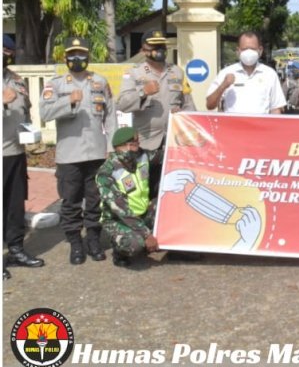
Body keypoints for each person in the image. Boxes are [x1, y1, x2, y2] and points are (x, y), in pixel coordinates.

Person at [40, 37, 117, 265]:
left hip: (96, 152)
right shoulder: (56, 85)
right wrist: (69, 103)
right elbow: (44, 114)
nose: (77, 59)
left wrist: (112, 147)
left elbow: (110, 116)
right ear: (65, 58)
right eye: (72, 55)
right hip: (69, 154)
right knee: (71, 201)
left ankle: (93, 240)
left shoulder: (100, 82)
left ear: (88, 57)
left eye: (81, 55)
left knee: (95, 199)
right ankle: (75, 243)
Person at [116, 30, 196, 198]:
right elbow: (122, 104)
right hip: (146, 142)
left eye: (161, 45)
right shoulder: (134, 73)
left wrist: (183, 114)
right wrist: (142, 92)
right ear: (144, 50)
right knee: (145, 188)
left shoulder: (177, 72)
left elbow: (189, 105)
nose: (158, 49)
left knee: (172, 188)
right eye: (153, 46)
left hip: (174, 142)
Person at [3, 35, 45, 278]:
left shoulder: (16, 80)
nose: (5, 55)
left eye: (7, 51)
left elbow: (24, 111)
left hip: (15, 152)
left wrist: (29, 133)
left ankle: (16, 249)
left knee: (15, 205)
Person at [95, 127, 159, 268]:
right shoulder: (107, 173)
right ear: (126, 146)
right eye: (136, 143)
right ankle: (120, 251)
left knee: (164, 206)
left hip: (142, 212)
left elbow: (164, 156)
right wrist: (146, 235)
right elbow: (121, 210)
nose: (139, 146)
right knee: (135, 244)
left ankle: (146, 238)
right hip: (119, 219)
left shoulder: (142, 156)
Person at [206, 31, 286, 114]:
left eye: (252, 49)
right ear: (238, 51)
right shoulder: (226, 73)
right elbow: (210, 105)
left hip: (260, 126)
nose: (249, 52)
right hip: (232, 126)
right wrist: (223, 86)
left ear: (260, 50)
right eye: (244, 49)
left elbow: (276, 108)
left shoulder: (270, 74)